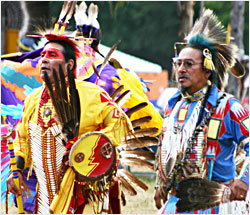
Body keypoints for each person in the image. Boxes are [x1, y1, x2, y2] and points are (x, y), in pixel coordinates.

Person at [6, 26, 130, 214]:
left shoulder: (91, 94)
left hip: (81, 196)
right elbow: (22, 137)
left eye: (52, 55)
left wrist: (88, 149)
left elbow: (119, 123)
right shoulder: (33, 99)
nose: (44, 59)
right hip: (44, 197)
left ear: (70, 65)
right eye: (43, 55)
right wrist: (17, 170)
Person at [154, 9, 249, 214]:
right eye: (178, 64)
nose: (180, 70)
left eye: (188, 64)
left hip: (216, 203)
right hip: (177, 203)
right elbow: (166, 148)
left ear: (207, 69)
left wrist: (244, 180)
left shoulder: (229, 107)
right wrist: (160, 183)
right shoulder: (173, 106)